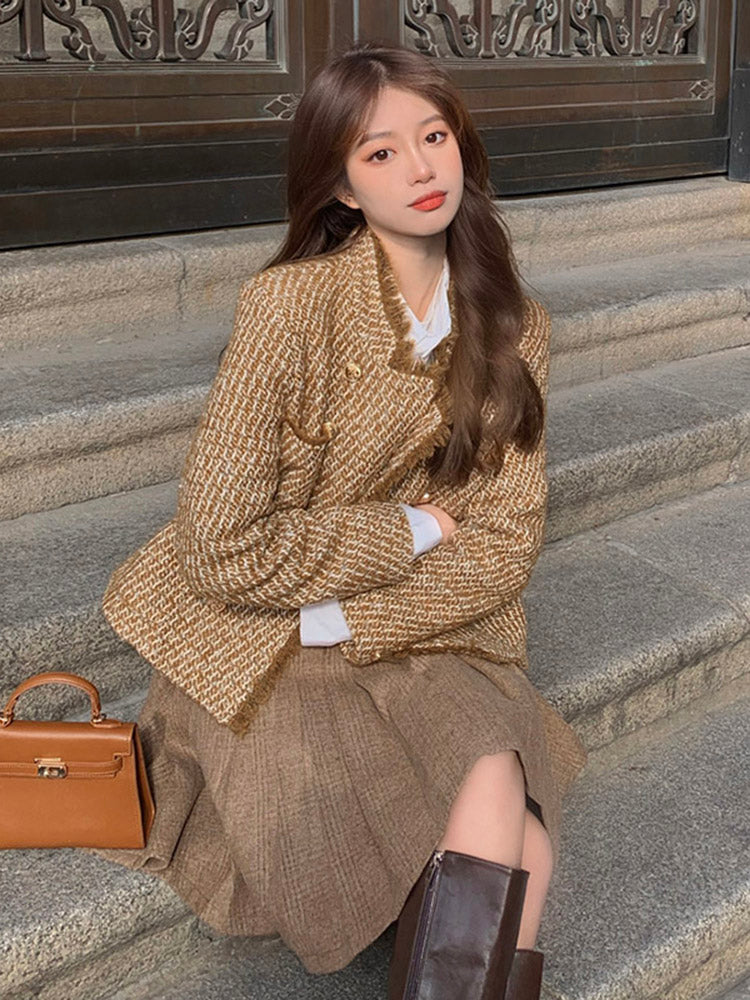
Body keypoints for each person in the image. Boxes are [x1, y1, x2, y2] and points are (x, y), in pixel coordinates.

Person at [85, 40, 589, 1000]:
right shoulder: (291, 306)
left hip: (418, 624)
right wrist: (411, 531)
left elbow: (503, 546)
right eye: (380, 152)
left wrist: (350, 615)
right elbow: (221, 547)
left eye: (434, 136)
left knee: (496, 787)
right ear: (344, 188)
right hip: (262, 631)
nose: (421, 168)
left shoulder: (513, 324)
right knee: (513, 835)